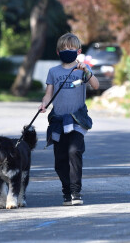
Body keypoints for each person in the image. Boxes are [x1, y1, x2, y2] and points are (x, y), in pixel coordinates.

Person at [39, 33, 99, 206]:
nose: (68, 51)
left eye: (71, 48)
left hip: (77, 121)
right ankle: (66, 191)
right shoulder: (53, 72)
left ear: (78, 51)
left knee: (74, 152)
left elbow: (95, 85)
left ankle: (75, 192)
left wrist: (86, 70)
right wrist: (43, 105)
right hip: (58, 122)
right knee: (60, 160)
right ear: (58, 52)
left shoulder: (82, 70)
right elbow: (48, 95)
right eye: (64, 48)